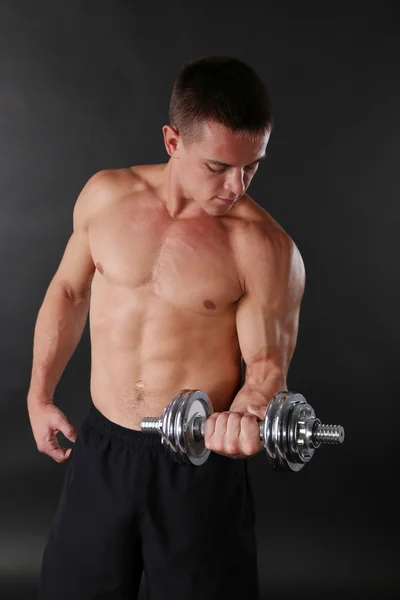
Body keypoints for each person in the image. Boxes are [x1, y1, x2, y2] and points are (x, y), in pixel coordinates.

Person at [27, 55, 305, 599]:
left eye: (252, 166)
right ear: (173, 141)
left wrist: (248, 415)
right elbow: (67, 291)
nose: (236, 186)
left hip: (196, 467)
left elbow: (268, 366)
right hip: (102, 450)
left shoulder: (265, 248)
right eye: (218, 166)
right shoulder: (106, 197)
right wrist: (39, 396)